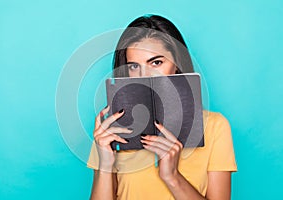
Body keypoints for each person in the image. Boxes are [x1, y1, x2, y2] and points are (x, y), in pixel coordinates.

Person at [87, 14, 237, 200]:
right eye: (134, 66)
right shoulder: (111, 129)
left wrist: (172, 176)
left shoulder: (215, 127)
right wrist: (105, 165)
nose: (145, 75)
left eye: (156, 62)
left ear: (177, 65)